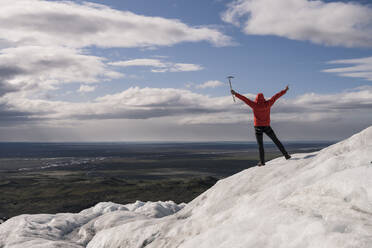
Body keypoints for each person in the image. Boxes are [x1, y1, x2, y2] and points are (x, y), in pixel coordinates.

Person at [231, 86, 291, 166]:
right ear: (263, 98)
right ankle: (286, 155)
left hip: (258, 127)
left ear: (256, 98)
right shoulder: (268, 103)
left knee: (260, 145)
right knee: (276, 140)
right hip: (267, 126)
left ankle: (262, 162)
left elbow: (245, 99)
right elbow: (276, 96)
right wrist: (285, 91)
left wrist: (235, 94)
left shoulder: (254, 105)